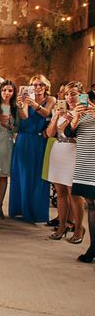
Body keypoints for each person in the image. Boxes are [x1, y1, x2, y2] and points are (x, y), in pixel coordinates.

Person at [10, 74, 56, 223]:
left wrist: (34, 104)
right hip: (24, 139)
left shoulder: (51, 99)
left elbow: (46, 113)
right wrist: (20, 105)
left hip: (40, 140)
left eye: (41, 85)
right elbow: (23, 117)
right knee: (23, 175)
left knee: (39, 177)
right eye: (35, 85)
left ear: (46, 86)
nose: (38, 87)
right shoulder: (26, 98)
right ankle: (21, 209)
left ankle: (37, 212)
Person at [45, 82, 84, 243]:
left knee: (74, 193)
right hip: (58, 150)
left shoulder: (84, 111)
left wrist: (73, 117)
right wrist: (55, 117)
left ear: (81, 95)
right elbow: (49, 134)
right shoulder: (59, 110)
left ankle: (78, 228)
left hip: (75, 152)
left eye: (73, 94)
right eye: (67, 94)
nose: (69, 97)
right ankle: (62, 225)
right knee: (60, 192)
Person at [64, 96, 95, 263]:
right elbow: (68, 133)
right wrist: (75, 118)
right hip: (85, 163)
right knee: (90, 204)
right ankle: (93, 247)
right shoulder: (82, 114)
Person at [0, 80, 18, 219]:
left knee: (3, 176)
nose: (7, 93)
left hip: (7, 143)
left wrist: (9, 126)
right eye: (4, 90)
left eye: (10, 91)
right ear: (0, 91)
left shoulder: (15, 108)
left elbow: (18, 128)